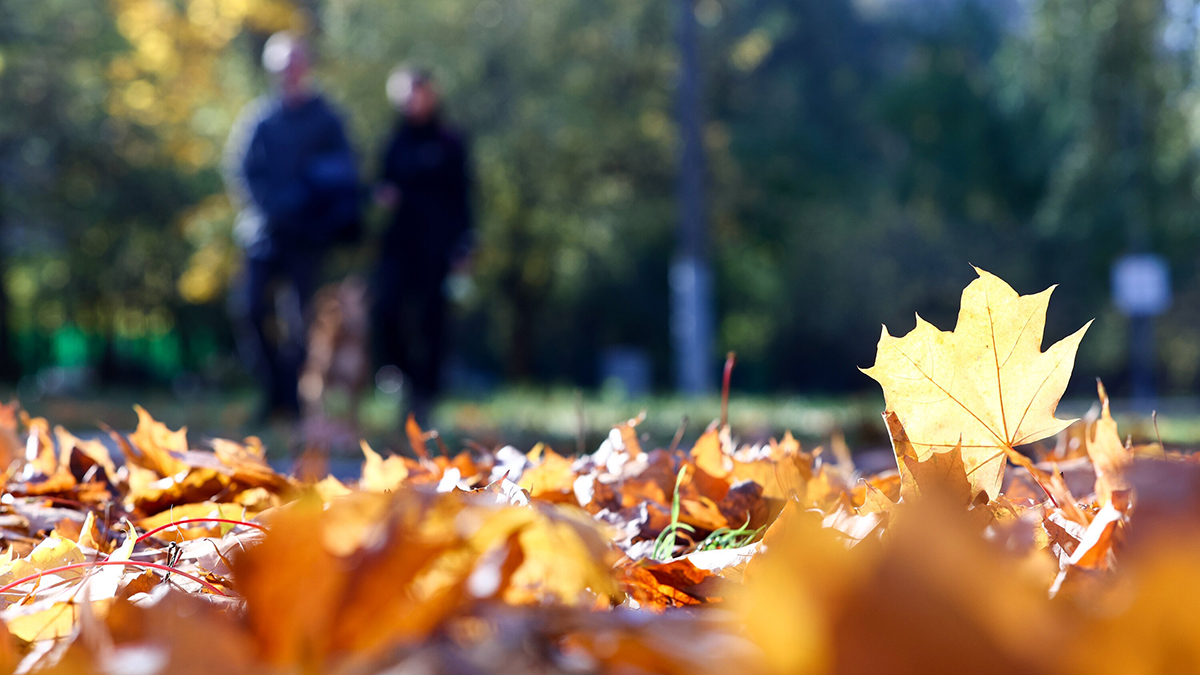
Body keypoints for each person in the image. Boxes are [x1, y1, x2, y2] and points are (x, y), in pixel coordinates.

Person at [224, 32, 360, 422]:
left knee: (304, 321)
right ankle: (275, 392)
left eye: (296, 65)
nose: (290, 73)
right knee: (251, 309)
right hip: (265, 233)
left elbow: (345, 173)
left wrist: (316, 209)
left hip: (308, 237)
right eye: (283, 67)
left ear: (307, 68)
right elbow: (242, 171)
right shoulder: (259, 119)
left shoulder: (327, 119)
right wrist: (271, 207)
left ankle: (296, 398)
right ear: (273, 71)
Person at [373, 67, 473, 425]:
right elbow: (379, 186)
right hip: (398, 245)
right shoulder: (393, 141)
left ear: (431, 93)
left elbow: (464, 196)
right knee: (387, 310)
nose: (411, 100)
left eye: (417, 92)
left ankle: (425, 395)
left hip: (437, 247)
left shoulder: (450, 142)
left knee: (434, 321)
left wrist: (464, 245)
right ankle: (402, 375)